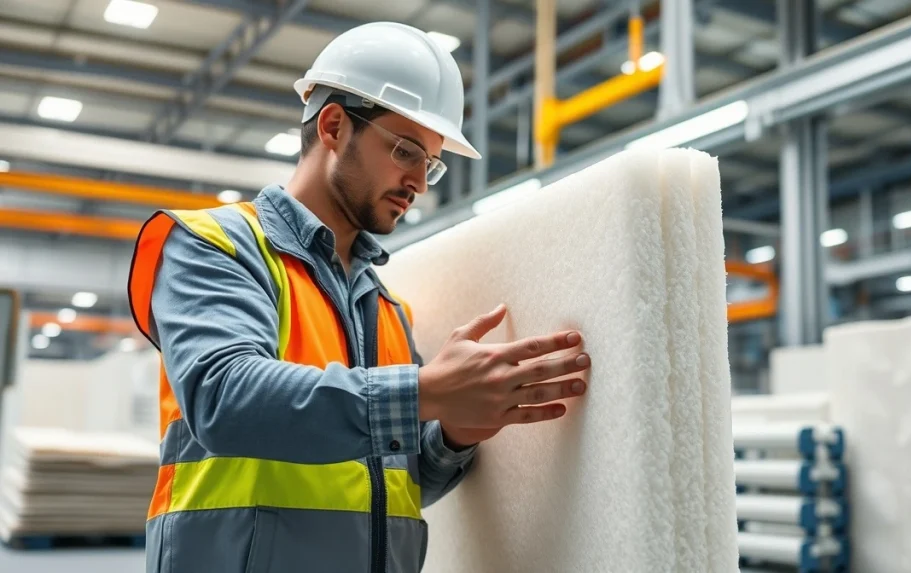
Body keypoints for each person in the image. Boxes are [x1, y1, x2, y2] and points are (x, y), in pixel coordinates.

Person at [126, 21, 591, 573]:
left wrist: (455, 430)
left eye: (431, 163)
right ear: (333, 125)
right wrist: (426, 391)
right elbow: (224, 399)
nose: (418, 181)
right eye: (405, 151)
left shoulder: (385, 311)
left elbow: (396, 487)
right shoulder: (214, 245)